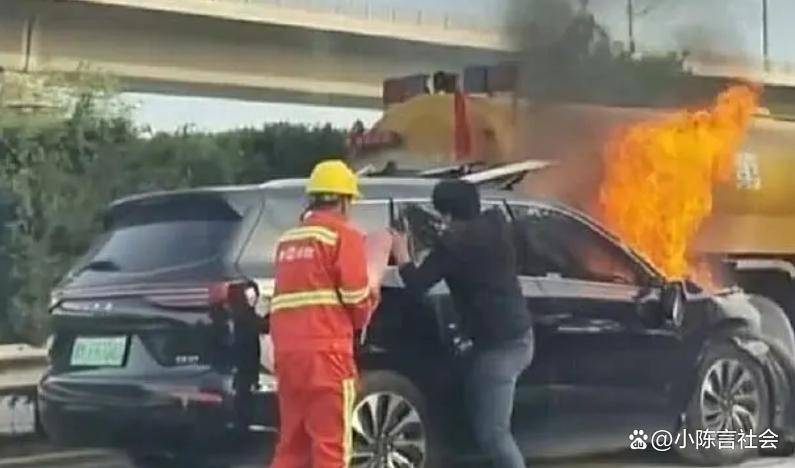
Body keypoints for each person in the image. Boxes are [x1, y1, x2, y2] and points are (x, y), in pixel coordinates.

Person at [391, 179, 534, 468]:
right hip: (511, 337)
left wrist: (402, 253)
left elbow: (417, 283)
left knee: (493, 435)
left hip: (498, 348)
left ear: (447, 213)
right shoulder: (496, 226)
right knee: (476, 419)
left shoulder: (456, 244)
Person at [269, 159, 380, 468]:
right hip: (327, 355)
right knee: (331, 446)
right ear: (344, 201)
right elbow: (355, 299)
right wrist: (372, 299)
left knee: (292, 445)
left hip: (288, 356)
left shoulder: (288, 240)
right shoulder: (344, 236)